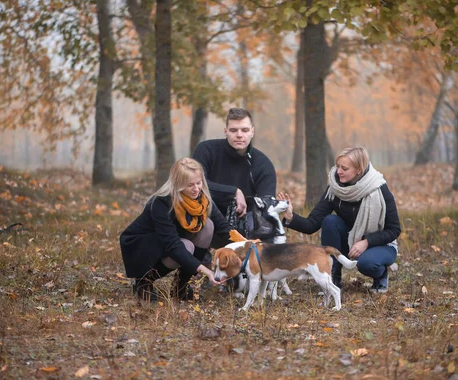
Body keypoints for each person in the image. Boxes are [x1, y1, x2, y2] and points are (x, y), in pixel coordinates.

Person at [278, 146, 400, 293]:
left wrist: (367, 242)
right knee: (330, 221)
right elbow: (312, 224)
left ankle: (380, 275)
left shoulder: (379, 189)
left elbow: (394, 230)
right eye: (337, 166)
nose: (338, 171)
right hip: (350, 241)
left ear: (359, 170)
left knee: (367, 264)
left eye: (344, 168)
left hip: (380, 244)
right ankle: (332, 279)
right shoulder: (335, 189)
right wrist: (291, 217)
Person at [119, 157, 232, 302]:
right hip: (142, 246)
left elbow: (224, 228)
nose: (197, 188)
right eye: (190, 185)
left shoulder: (202, 199)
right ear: (178, 184)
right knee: (186, 246)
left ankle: (180, 286)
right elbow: (173, 245)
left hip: (173, 243)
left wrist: (248, 245)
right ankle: (143, 283)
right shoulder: (161, 203)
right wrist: (206, 271)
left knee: (208, 226)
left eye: (199, 183)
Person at [192, 107, 277, 238]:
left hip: (244, 220)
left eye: (245, 130)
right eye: (233, 130)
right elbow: (195, 186)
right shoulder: (206, 150)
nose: (239, 135)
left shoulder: (263, 164)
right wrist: (233, 192)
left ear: (252, 132)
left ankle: (251, 257)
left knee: (263, 225)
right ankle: (200, 258)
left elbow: (266, 206)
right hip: (207, 213)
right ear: (225, 132)